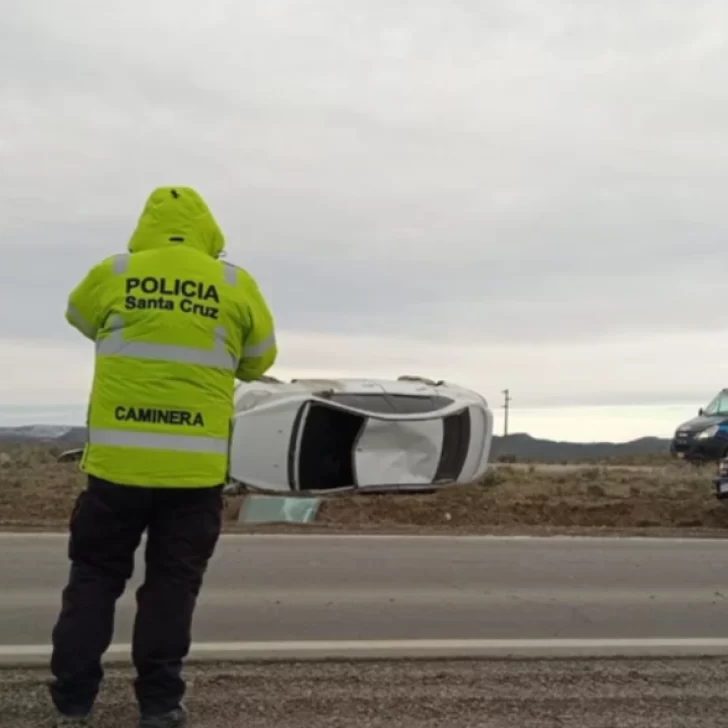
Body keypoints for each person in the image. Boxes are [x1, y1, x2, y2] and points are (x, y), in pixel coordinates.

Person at [49, 186, 278, 728]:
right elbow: (259, 360)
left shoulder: (115, 272)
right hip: (194, 476)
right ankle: (159, 703)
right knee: (172, 588)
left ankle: (73, 701)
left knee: (94, 578)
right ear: (208, 230)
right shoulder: (234, 283)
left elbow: (78, 316)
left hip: (116, 470)